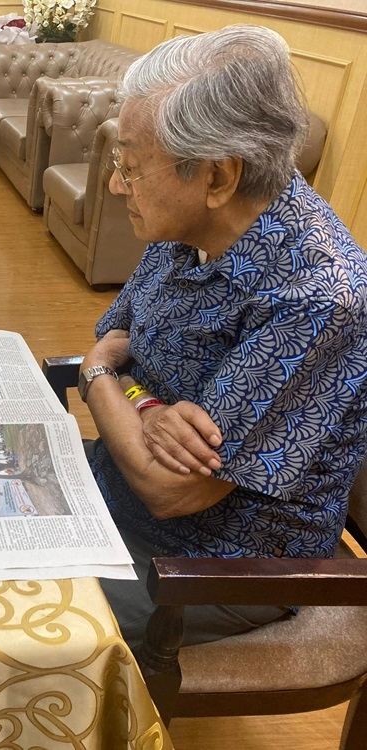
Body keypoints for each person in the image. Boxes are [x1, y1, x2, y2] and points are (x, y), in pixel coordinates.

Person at [78, 25, 367, 650]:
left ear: (217, 178)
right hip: (112, 485)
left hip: (208, 568)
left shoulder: (315, 297)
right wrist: (144, 405)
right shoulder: (190, 227)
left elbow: (170, 489)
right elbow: (115, 330)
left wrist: (99, 374)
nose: (115, 185)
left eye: (132, 166)